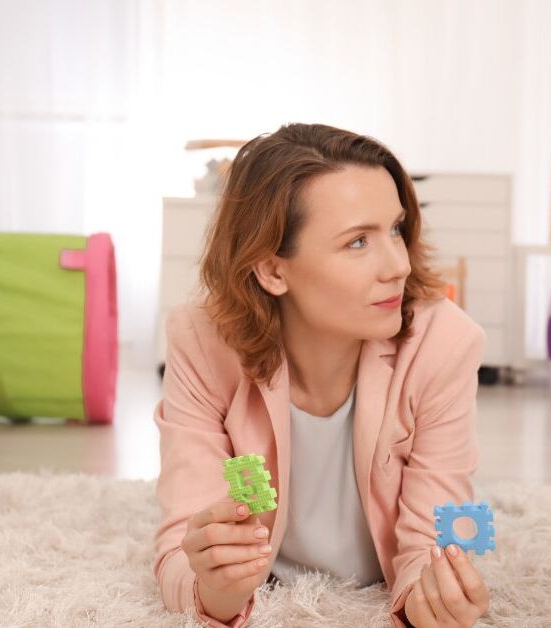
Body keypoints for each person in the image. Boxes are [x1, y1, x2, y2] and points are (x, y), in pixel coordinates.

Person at [153, 123, 489, 628]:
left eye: (396, 229)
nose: (397, 264)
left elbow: (430, 541)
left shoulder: (445, 344)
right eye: (357, 242)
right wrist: (214, 588)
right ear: (271, 269)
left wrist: (431, 598)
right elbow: (185, 536)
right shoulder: (202, 342)